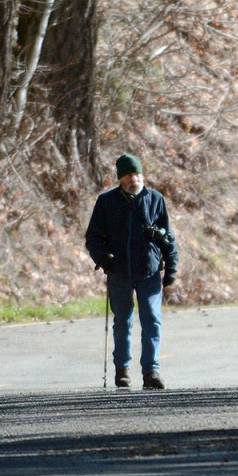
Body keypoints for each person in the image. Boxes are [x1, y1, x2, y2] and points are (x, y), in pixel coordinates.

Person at [86, 154, 179, 389]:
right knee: (122, 321)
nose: (133, 179)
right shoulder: (106, 202)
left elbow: (168, 237)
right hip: (118, 272)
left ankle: (151, 372)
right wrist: (103, 258)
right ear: (120, 178)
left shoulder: (155, 199)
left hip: (149, 271)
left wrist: (171, 268)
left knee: (152, 321)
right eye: (128, 175)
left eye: (137, 174)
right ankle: (122, 371)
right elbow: (93, 238)